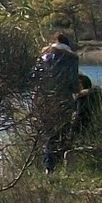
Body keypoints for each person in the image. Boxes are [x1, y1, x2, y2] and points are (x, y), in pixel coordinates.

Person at [33, 33, 82, 172]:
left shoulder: (43, 57)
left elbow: (34, 78)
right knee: (62, 132)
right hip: (63, 101)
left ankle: (48, 167)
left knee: (47, 133)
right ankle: (57, 165)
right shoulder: (71, 59)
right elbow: (73, 84)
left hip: (43, 101)